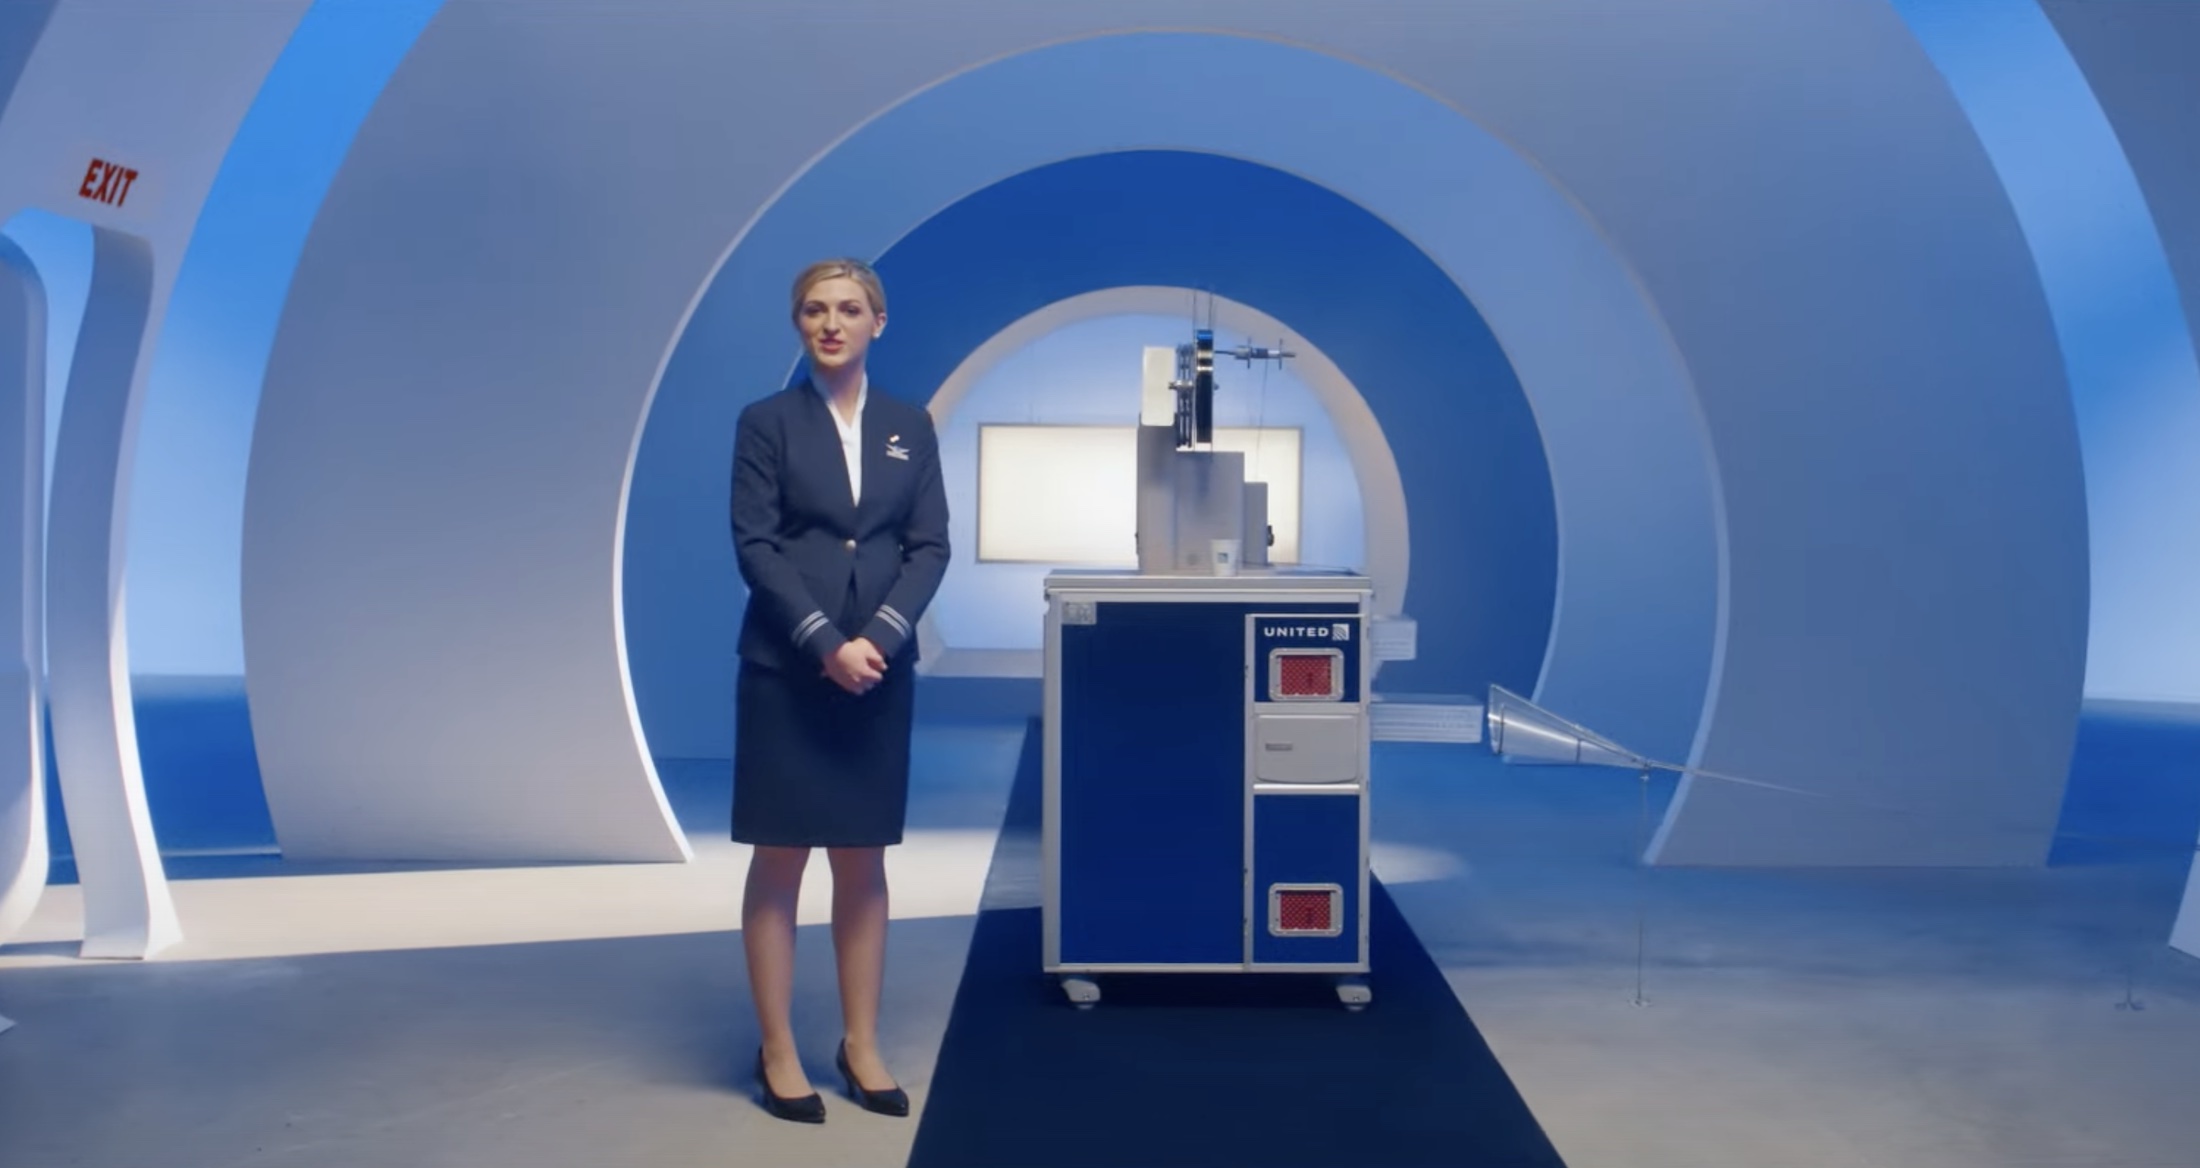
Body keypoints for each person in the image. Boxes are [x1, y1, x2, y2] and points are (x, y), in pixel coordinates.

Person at [728, 258, 948, 1123]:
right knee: (780, 856)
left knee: (863, 858)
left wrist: (878, 640)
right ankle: (777, 1048)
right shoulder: (765, 423)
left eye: (850, 309)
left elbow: (928, 546)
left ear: (877, 323)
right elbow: (756, 546)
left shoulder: (908, 425)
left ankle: (860, 1043)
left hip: (879, 673)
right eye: (815, 310)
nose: (832, 322)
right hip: (787, 667)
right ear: (800, 325)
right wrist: (823, 641)